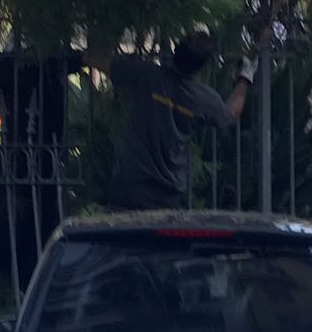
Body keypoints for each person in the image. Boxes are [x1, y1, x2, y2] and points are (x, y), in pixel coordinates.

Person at [88, 26, 256, 211]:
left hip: (130, 183)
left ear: (175, 51)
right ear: (200, 66)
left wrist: (79, 58)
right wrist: (245, 77)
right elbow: (230, 114)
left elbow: (106, 64)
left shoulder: (147, 75)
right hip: (167, 192)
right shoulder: (202, 99)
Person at [0, 44, 86, 287]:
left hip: (38, 158)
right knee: (15, 220)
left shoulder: (50, 57)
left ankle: (19, 284)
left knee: (33, 222)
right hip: (25, 158)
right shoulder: (19, 61)